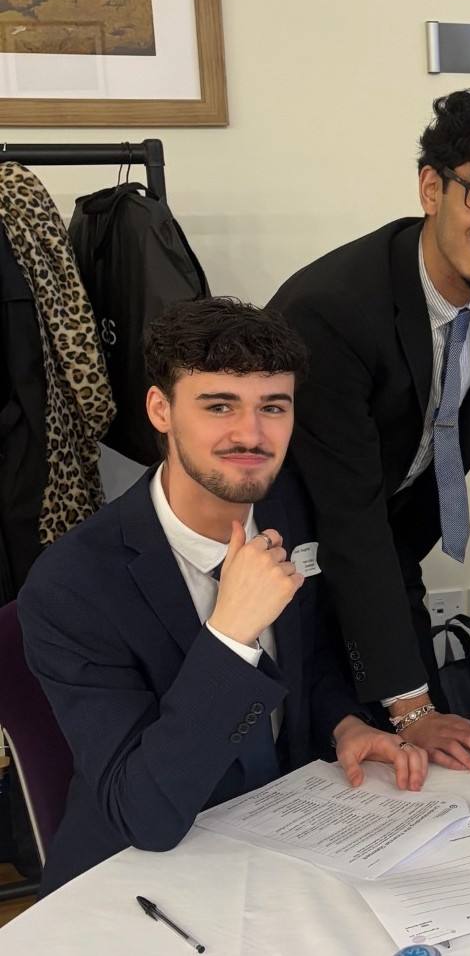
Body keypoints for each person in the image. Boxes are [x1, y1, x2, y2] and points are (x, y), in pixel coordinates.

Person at [19, 298, 427, 894]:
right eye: (218, 406)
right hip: (142, 875)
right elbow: (146, 814)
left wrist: (343, 723)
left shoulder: (292, 505)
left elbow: (308, 660)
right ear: (161, 409)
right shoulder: (71, 587)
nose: (251, 435)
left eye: (273, 407)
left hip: (289, 834)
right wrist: (230, 635)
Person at [269, 89, 470, 771]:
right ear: (431, 188)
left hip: (389, 544)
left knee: (434, 756)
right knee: (338, 758)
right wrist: (410, 710)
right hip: (292, 564)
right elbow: (347, 518)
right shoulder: (332, 312)